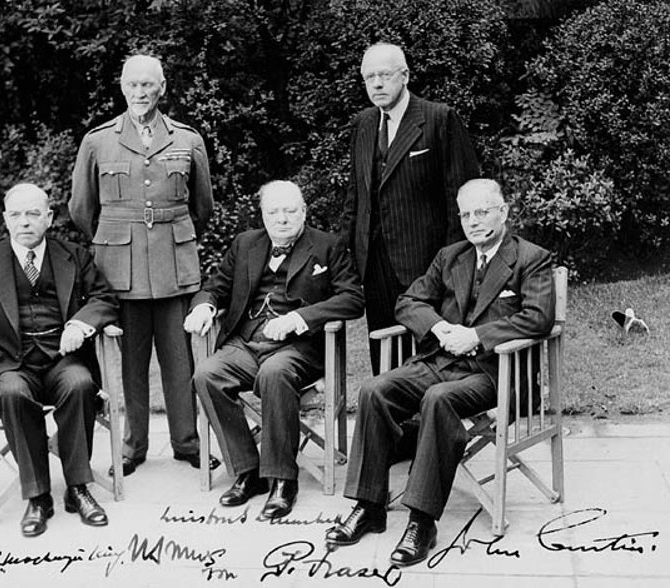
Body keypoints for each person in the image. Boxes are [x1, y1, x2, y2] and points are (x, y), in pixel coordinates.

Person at [326, 179, 555, 566]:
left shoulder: (532, 258)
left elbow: (539, 318)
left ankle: (421, 520)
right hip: (438, 361)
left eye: (482, 212)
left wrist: (477, 336)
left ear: (504, 211)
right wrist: (438, 328)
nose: (473, 221)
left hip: (494, 372)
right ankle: (369, 506)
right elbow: (409, 301)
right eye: (466, 214)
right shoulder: (451, 256)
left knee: (438, 399)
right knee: (375, 390)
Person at [0, 183, 120, 537]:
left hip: (62, 359)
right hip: (8, 364)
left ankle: (78, 488)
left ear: (49, 218)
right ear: (5, 219)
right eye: (16, 214)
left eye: (33, 213)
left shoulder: (74, 255)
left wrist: (80, 324)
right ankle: (38, 496)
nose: (25, 222)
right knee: (13, 394)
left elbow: (105, 299)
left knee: (80, 384)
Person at [70, 54, 217, 476]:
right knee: (130, 364)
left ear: (162, 88)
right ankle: (133, 446)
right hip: (120, 269)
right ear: (121, 87)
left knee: (180, 361)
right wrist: (115, 237)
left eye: (148, 85)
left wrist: (174, 234)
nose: (140, 92)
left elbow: (201, 206)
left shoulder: (187, 139)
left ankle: (187, 443)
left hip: (174, 265)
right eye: (132, 85)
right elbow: (82, 208)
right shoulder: (98, 141)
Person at [185, 180, 364, 519]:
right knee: (207, 374)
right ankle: (247, 470)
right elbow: (215, 288)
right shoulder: (245, 244)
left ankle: (283, 479)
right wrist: (204, 307)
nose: (282, 219)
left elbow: (353, 299)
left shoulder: (328, 246)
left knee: (275, 372)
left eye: (290, 211)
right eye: (273, 212)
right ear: (263, 215)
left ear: (304, 212)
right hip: (246, 343)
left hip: (299, 347)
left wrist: (300, 317)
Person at [340, 42, 479, 375]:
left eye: (384, 75)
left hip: (425, 260)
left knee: (428, 350)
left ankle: (430, 422)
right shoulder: (362, 124)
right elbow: (355, 196)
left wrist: (452, 263)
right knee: (383, 352)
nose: (376, 84)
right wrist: (343, 255)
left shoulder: (438, 119)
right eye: (369, 77)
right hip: (374, 263)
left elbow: (462, 197)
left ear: (404, 75)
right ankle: (391, 424)